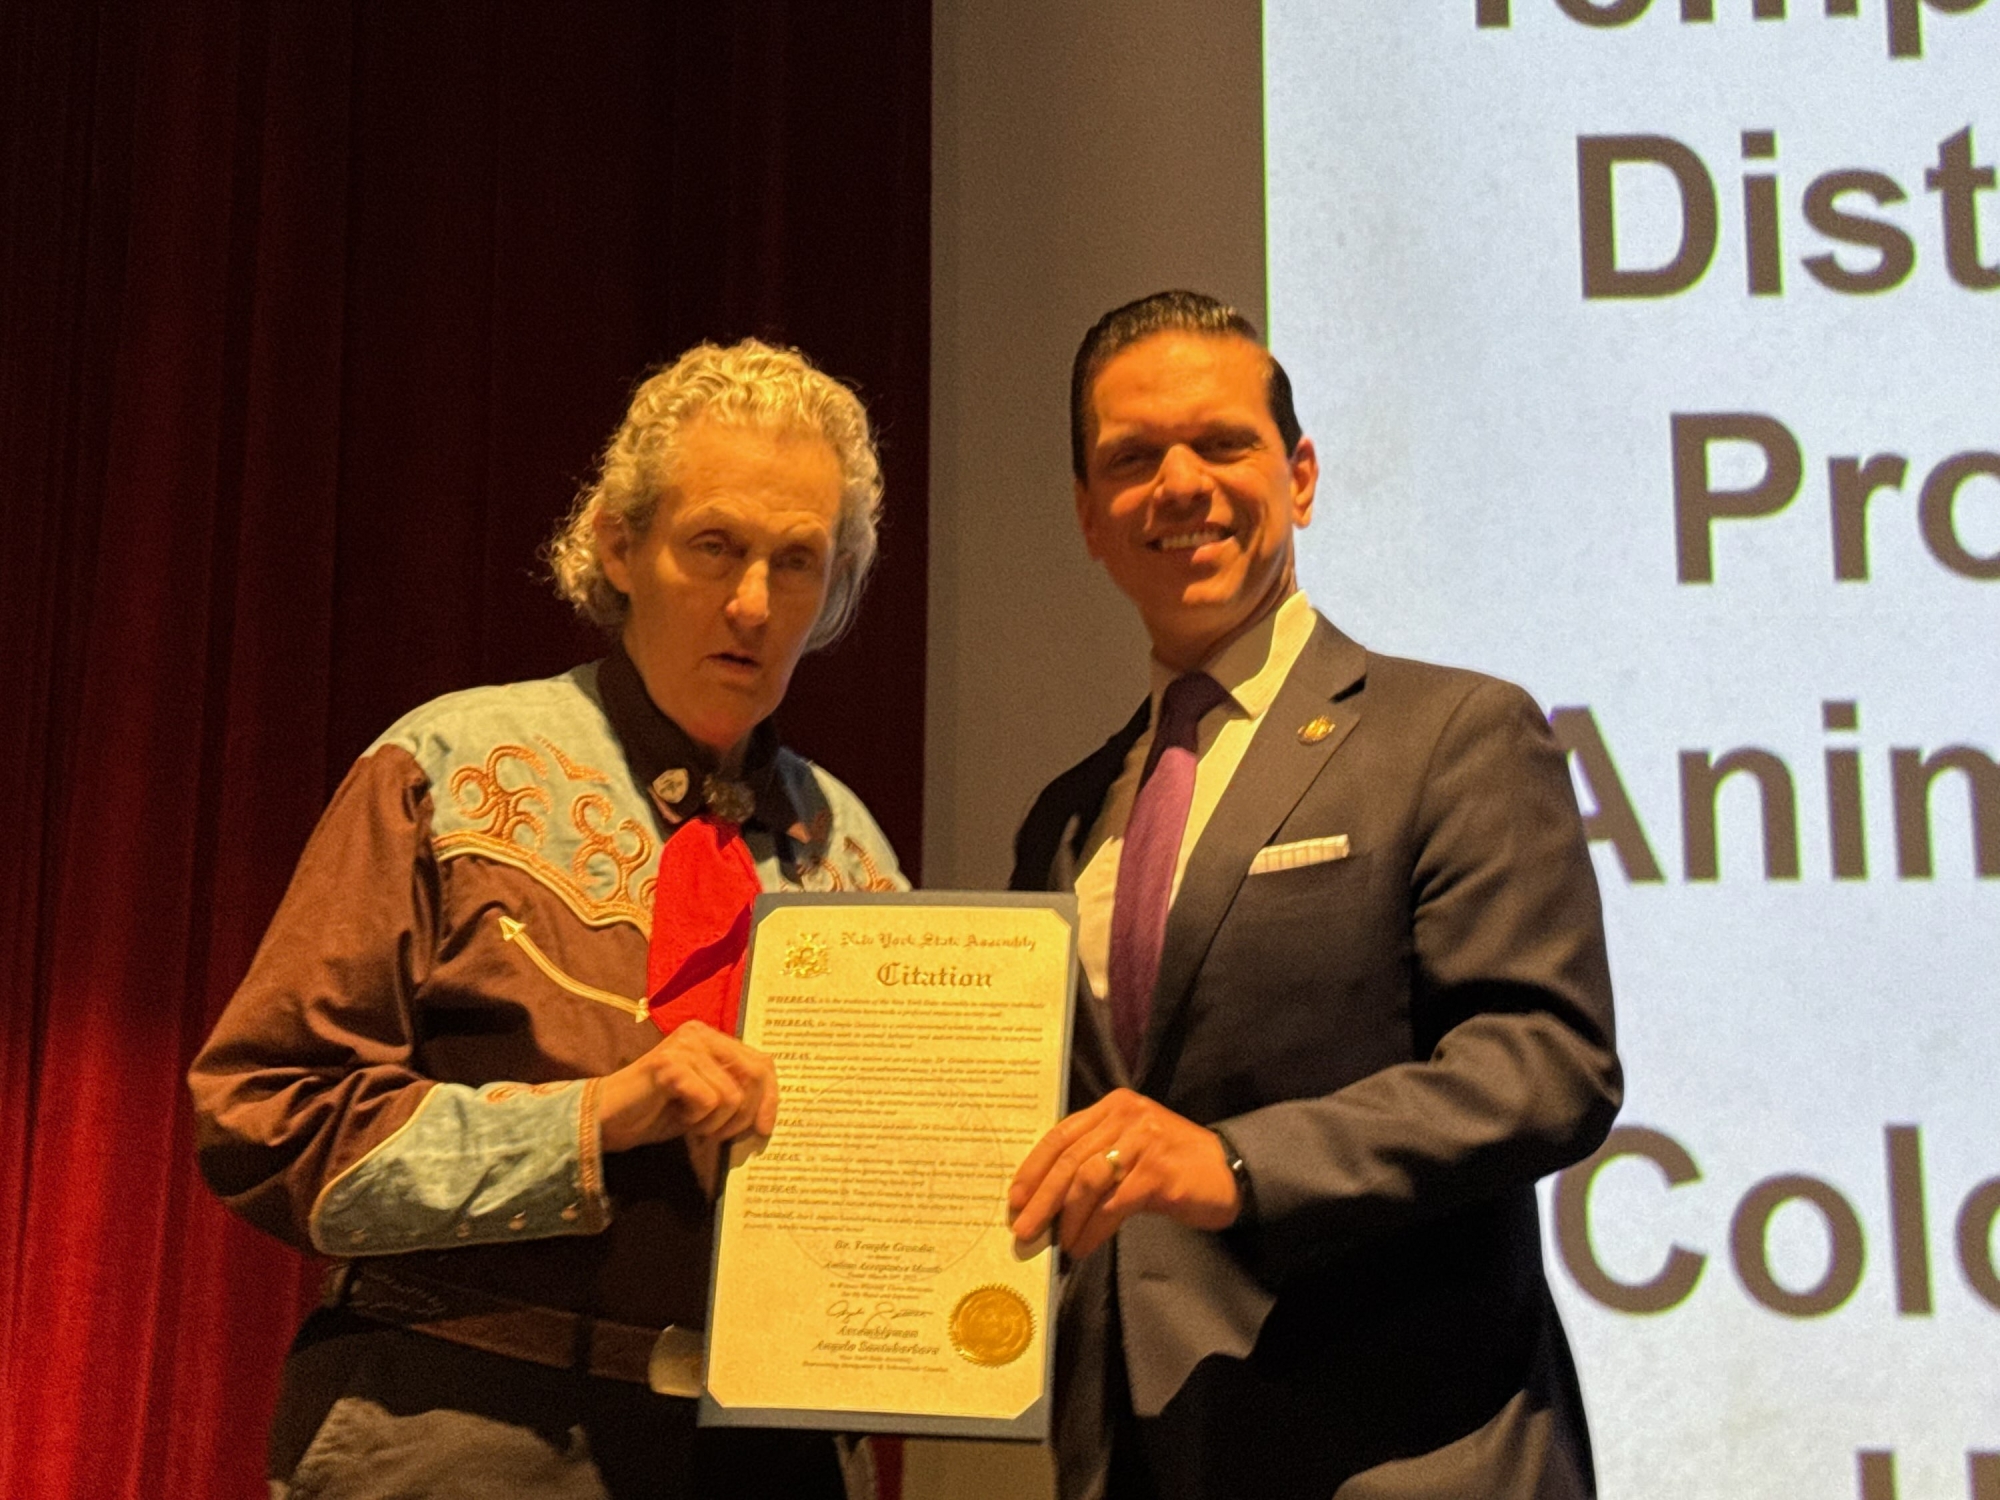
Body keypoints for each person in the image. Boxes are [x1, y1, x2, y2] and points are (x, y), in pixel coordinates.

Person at [189, 340, 905, 1500]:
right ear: (618, 546)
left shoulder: (852, 849)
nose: (751, 603)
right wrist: (595, 1120)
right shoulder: (450, 766)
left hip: (774, 1453)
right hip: (463, 1422)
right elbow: (269, 1121)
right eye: (712, 546)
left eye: (797, 562)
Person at [1005, 291, 1621, 1500]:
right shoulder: (1063, 817)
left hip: (1404, 1457)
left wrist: (1233, 1165)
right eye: (1131, 459)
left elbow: (1544, 1065)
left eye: (1219, 443)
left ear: (1298, 476)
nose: (1178, 485)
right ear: (1086, 514)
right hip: (1136, 1459)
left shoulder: (1452, 735)